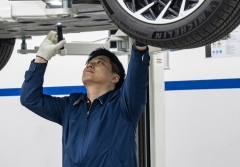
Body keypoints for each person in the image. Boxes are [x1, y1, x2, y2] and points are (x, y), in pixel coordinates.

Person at [20, 31, 149, 167]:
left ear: (115, 78)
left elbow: (136, 79)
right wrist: (41, 58)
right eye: (89, 63)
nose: (90, 65)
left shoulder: (124, 105)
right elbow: (30, 98)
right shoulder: (70, 106)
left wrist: (140, 45)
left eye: (100, 62)